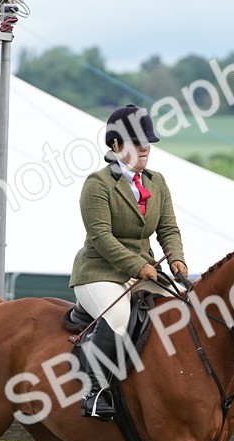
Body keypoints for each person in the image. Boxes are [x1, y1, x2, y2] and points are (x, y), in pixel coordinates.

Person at [70, 104, 188, 420]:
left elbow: (168, 228)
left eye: (146, 141)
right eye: (137, 142)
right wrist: (139, 267)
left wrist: (176, 258)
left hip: (144, 271)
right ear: (116, 146)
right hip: (98, 272)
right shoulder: (97, 184)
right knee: (118, 317)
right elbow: (101, 237)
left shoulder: (157, 182)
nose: (145, 147)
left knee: (184, 307)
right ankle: (93, 393)